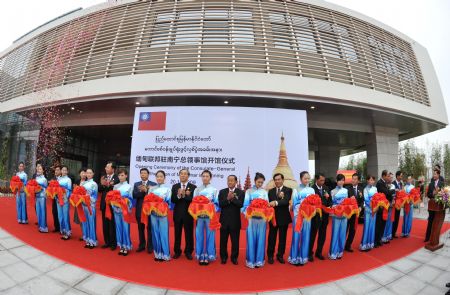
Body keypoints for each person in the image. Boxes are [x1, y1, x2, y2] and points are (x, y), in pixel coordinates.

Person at [242, 172, 269, 268]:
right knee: (251, 239)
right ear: (254, 181)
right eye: (258, 182)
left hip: (262, 220)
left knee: (261, 239)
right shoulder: (249, 191)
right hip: (252, 219)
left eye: (262, 182)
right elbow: (245, 206)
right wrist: (250, 212)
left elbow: (267, 205)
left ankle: (259, 260)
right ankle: (250, 260)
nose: (260, 184)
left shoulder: (264, 192)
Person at [288, 171, 316, 266]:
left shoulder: (312, 190)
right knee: (296, 237)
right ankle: (294, 258)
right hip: (298, 216)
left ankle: (303, 257)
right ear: (301, 179)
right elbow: (295, 203)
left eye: (308, 178)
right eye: (305, 178)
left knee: (306, 237)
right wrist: (302, 209)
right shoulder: (296, 189)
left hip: (308, 217)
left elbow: (314, 204)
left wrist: (310, 209)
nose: (307, 180)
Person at [192, 170, 219, 265]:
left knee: (210, 236)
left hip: (210, 216)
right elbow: (193, 203)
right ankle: (200, 255)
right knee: (199, 235)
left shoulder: (214, 190)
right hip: (199, 216)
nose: (205, 178)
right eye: (203, 176)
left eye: (207, 176)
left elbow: (217, 204)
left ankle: (209, 255)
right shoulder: (197, 190)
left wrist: (209, 207)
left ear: (210, 178)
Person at [218, 175, 244, 265]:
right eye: (228, 180)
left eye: (232, 180)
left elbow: (240, 204)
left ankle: (234, 258)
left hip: (235, 221)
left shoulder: (240, 192)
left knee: (235, 241)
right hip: (224, 221)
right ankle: (223, 257)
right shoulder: (222, 192)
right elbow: (220, 204)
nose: (230, 182)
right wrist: (227, 199)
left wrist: (232, 199)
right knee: (223, 241)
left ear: (236, 182)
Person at [171, 169, 196, 260]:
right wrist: (178, 195)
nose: (183, 175)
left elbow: (193, 200)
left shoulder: (193, 187)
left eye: (185, 174)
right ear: (179, 175)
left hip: (188, 214)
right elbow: (173, 200)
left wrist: (185, 195)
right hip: (177, 213)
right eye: (181, 174)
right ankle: (177, 251)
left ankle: (188, 251)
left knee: (189, 234)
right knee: (177, 233)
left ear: (188, 176)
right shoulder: (175, 186)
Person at [267, 173, 292, 264]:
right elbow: (270, 202)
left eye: (279, 179)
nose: (277, 181)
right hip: (273, 218)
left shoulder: (288, 190)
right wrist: (277, 199)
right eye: (275, 180)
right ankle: (270, 256)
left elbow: (285, 201)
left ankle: (280, 255)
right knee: (271, 238)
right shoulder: (270, 191)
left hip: (283, 217)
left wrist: (276, 202)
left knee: (282, 238)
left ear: (282, 180)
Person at [148, 170, 172, 261]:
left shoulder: (167, 189)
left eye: (161, 176)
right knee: (155, 233)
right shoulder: (151, 189)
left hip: (163, 214)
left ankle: (165, 254)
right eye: (157, 176)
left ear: (164, 178)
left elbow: (169, 203)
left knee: (163, 234)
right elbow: (147, 202)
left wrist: (161, 204)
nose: (159, 178)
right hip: (153, 214)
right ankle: (157, 254)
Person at [132, 168, 156, 253]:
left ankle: (150, 246)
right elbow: (134, 195)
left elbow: (154, 196)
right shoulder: (136, 184)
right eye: (141, 173)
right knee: (140, 228)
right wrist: (142, 191)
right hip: (140, 209)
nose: (143, 175)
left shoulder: (153, 184)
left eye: (144, 173)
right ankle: (141, 245)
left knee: (150, 228)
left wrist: (148, 190)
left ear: (148, 174)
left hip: (149, 210)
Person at [98, 162, 119, 250]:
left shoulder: (117, 178)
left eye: (108, 167)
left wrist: (108, 185)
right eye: (106, 167)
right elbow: (99, 189)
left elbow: (114, 189)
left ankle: (113, 243)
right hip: (104, 204)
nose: (106, 168)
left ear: (113, 169)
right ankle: (107, 242)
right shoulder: (103, 177)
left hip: (112, 205)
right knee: (105, 224)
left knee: (112, 224)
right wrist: (103, 184)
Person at [112, 169, 133, 256]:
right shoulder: (115, 186)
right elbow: (112, 198)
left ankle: (126, 246)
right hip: (116, 209)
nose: (120, 177)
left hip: (125, 210)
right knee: (118, 227)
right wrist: (115, 205)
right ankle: (121, 246)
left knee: (125, 228)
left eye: (122, 175)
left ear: (126, 176)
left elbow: (131, 200)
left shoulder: (129, 186)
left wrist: (125, 204)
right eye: (119, 175)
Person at [328, 174, 348, 260]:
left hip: (344, 214)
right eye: (339, 180)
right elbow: (331, 203)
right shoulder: (332, 191)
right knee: (335, 233)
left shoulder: (346, 190)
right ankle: (333, 252)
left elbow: (347, 201)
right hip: (336, 214)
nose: (341, 182)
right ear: (336, 181)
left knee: (343, 233)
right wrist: (333, 206)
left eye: (343, 180)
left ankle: (340, 251)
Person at [311, 172, 330, 261]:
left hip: (325, 216)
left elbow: (330, 200)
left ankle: (319, 252)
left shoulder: (326, 188)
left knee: (322, 235)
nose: (323, 182)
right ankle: (309, 253)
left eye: (323, 180)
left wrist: (329, 205)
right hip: (315, 216)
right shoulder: (312, 189)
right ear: (316, 180)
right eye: (321, 180)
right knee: (313, 235)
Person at [345, 173, 364, 252]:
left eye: (355, 179)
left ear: (358, 180)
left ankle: (348, 245)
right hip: (348, 213)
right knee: (345, 229)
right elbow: (345, 200)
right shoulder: (347, 188)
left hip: (356, 213)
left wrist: (360, 207)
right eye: (353, 178)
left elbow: (362, 200)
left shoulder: (361, 188)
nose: (353, 180)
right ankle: (340, 245)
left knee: (353, 229)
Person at [425, 169, 444, 242]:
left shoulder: (442, 183)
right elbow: (428, 195)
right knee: (430, 221)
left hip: (438, 207)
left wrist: (438, 194)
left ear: (438, 175)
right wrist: (433, 193)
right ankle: (427, 237)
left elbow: (444, 194)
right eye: (433, 174)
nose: (434, 175)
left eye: (435, 174)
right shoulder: (431, 184)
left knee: (436, 222)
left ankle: (435, 237)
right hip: (432, 206)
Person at [360, 175, 378, 251]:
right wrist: (372, 205)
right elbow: (367, 200)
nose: (371, 181)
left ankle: (370, 243)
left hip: (374, 210)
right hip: (368, 209)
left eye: (372, 180)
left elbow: (377, 198)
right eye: (370, 180)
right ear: (367, 181)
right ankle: (364, 245)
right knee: (367, 227)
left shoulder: (375, 188)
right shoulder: (365, 189)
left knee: (372, 227)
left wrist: (376, 206)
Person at [82, 168, 98, 249]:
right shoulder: (83, 183)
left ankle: (93, 241)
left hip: (90, 206)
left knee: (91, 223)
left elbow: (95, 196)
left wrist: (87, 198)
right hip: (84, 206)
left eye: (90, 173)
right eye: (87, 173)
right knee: (85, 223)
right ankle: (87, 240)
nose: (88, 174)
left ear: (93, 174)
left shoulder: (94, 184)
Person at [375, 170, 390, 247]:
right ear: (383, 176)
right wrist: (392, 191)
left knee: (383, 223)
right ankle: (376, 241)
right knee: (379, 224)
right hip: (380, 207)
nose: (389, 177)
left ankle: (379, 239)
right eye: (387, 176)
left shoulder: (385, 183)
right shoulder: (380, 183)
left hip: (385, 206)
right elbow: (386, 192)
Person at [57, 166, 72, 240]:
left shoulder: (68, 180)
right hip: (58, 199)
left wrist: (65, 197)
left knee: (65, 216)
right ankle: (62, 230)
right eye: (63, 170)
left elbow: (69, 190)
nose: (64, 171)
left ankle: (67, 232)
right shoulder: (58, 178)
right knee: (60, 216)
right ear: (61, 171)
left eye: (65, 170)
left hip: (65, 199)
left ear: (67, 171)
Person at [382, 173, 396, 244]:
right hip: (385, 205)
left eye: (391, 177)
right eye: (389, 177)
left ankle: (388, 236)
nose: (390, 179)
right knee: (385, 220)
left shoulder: (393, 185)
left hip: (391, 205)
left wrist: (393, 201)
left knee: (389, 221)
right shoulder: (384, 185)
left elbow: (394, 195)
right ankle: (383, 237)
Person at [34, 164, 48, 233]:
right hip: (37, 196)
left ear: (43, 171)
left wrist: (40, 188)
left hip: (42, 196)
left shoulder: (44, 179)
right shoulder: (36, 178)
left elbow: (46, 189)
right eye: (38, 168)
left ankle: (44, 227)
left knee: (43, 211)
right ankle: (40, 226)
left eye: (40, 169)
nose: (38, 170)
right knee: (38, 211)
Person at [74, 168, 87, 241]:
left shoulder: (88, 182)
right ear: (79, 174)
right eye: (82, 173)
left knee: (85, 218)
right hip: (78, 202)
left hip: (85, 203)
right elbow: (74, 191)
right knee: (80, 218)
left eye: (85, 173)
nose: (83, 174)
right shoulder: (77, 181)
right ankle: (83, 233)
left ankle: (86, 234)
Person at [391, 170, 403, 238]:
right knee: (393, 218)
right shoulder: (393, 183)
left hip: (399, 204)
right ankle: (391, 233)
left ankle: (394, 232)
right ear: (397, 176)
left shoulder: (401, 183)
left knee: (397, 218)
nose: (401, 177)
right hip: (394, 203)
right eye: (401, 176)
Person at [51, 165, 61, 233]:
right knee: (54, 212)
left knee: (59, 213)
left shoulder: (62, 179)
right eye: (55, 170)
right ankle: (56, 227)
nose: (56, 171)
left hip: (60, 198)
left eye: (57, 170)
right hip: (54, 198)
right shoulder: (53, 178)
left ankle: (61, 227)